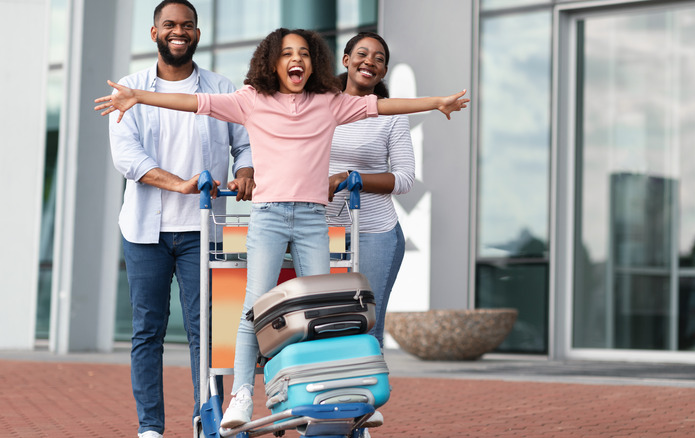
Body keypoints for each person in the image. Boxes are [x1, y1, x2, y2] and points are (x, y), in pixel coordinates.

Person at [94, 27, 468, 430]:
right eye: (288, 53)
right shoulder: (251, 101)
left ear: (315, 63)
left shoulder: (330, 103)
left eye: (305, 53)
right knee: (253, 306)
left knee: (326, 308)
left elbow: (385, 108)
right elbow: (194, 102)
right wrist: (139, 96)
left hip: (312, 219)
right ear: (273, 62)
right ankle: (241, 396)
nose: (297, 59)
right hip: (269, 216)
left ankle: (334, 390)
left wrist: (436, 103)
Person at [105, 2, 253, 438]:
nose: (178, 31)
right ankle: (150, 427)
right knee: (146, 331)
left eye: (186, 25)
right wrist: (179, 184)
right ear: (154, 33)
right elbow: (127, 159)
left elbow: (244, 144)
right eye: (169, 25)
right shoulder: (128, 90)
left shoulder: (221, 88)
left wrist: (245, 171)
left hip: (203, 230)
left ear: (197, 34)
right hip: (145, 231)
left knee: (206, 331)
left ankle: (206, 419)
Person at [327, 32, 411, 352]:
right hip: (322, 229)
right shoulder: (320, 106)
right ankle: (331, 398)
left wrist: (352, 177)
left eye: (379, 59)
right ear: (347, 60)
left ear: (383, 72)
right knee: (326, 322)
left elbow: (404, 178)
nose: (370, 62)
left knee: (366, 325)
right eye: (362, 54)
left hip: (375, 231)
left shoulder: (390, 114)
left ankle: (366, 401)